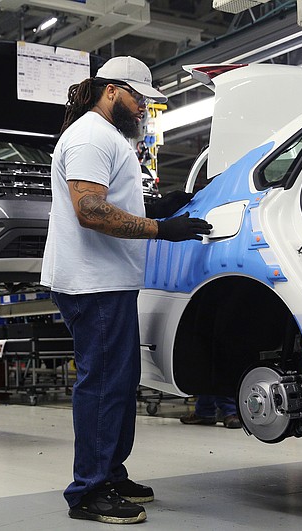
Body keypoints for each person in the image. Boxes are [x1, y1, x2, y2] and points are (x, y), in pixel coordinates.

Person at [41, 56, 213, 524]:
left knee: (118, 382)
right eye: (139, 100)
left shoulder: (107, 138)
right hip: (92, 282)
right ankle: (88, 491)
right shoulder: (91, 136)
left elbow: (111, 201)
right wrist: (162, 227)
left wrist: (163, 204)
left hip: (109, 280)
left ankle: (110, 473)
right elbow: (91, 211)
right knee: (101, 386)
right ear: (112, 90)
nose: (143, 110)